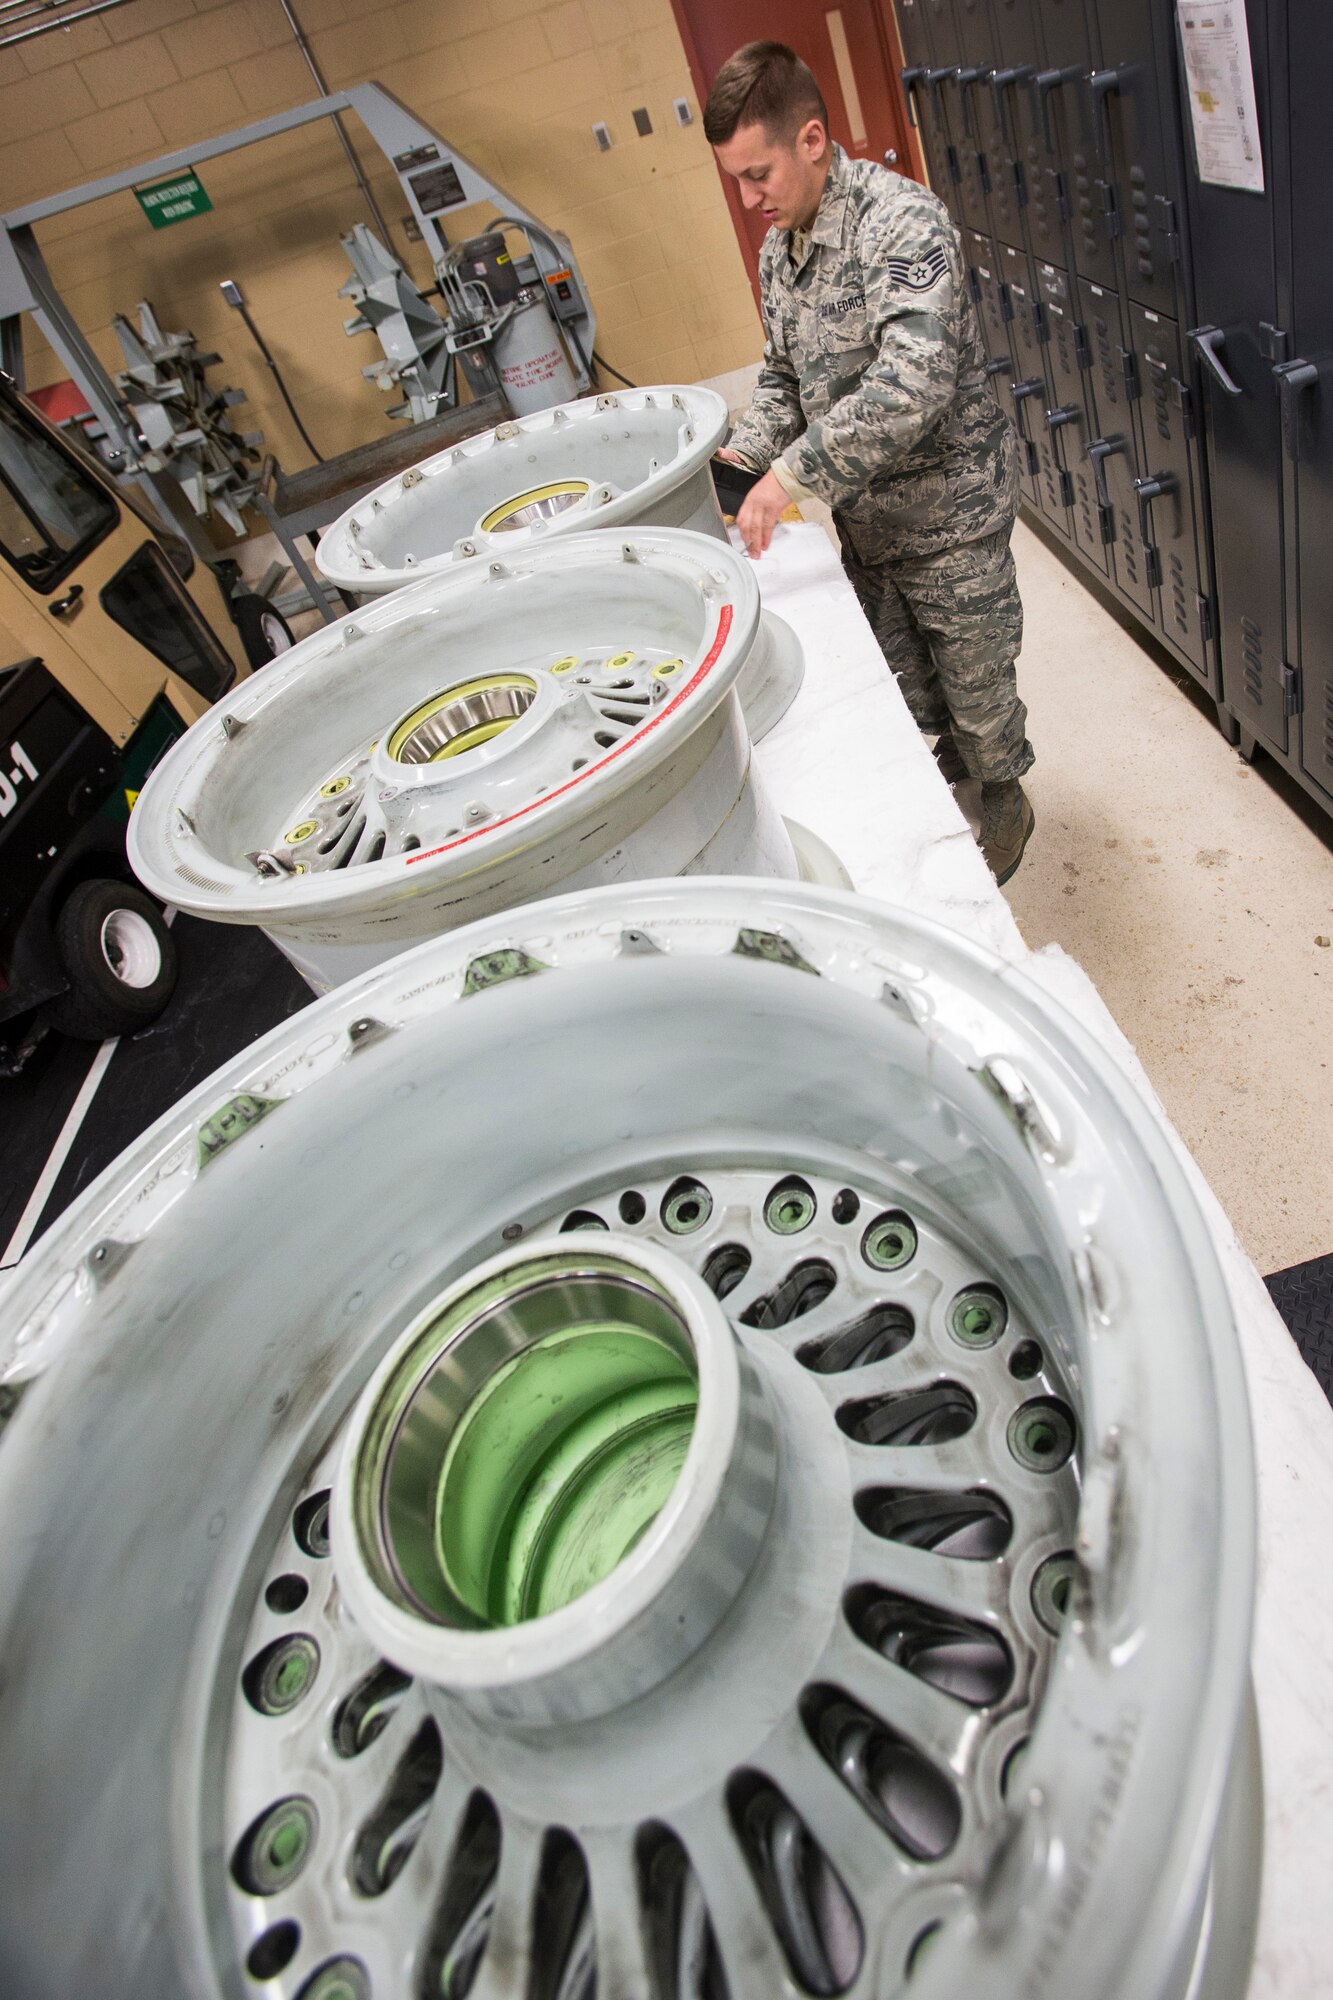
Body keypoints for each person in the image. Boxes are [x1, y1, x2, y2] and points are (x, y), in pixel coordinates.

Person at [705, 41, 1035, 884]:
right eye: (736, 179)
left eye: (757, 174)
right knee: (910, 683)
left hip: (948, 512)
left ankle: (1003, 796)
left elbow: (910, 382)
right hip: (871, 521)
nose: (748, 201)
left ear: (811, 139)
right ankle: (957, 770)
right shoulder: (782, 253)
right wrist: (741, 464)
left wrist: (790, 479)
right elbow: (784, 376)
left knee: (975, 682)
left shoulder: (899, 221)